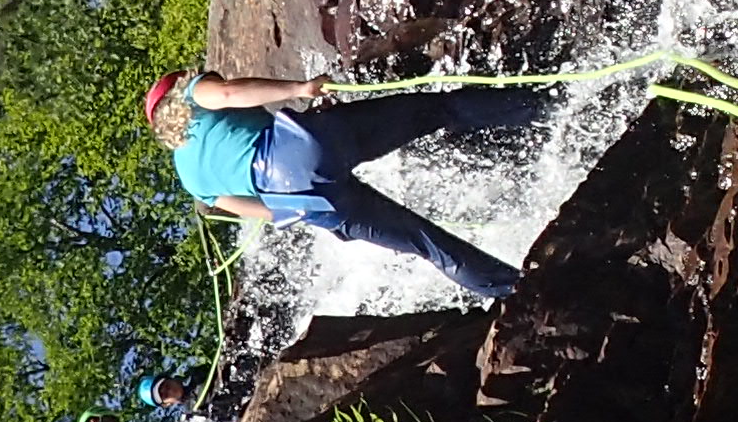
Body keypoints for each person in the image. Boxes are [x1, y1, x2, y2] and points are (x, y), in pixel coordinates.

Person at [146, 67, 547, 303]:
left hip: (303, 203)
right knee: (435, 110)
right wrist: (299, 90)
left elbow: (261, 212)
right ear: (177, 91)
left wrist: (314, 203)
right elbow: (231, 93)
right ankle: (545, 105)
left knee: (425, 243)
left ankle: (523, 292)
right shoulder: (194, 94)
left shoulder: (190, 179)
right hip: (299, 148)